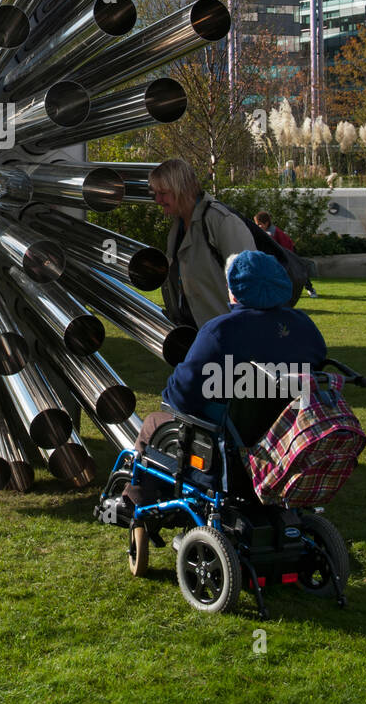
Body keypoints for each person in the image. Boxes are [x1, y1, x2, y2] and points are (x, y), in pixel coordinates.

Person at [99, 251, 328, 521]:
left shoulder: (221, 331)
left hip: (228, 444)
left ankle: (132, 499)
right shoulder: (304, 327)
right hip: (286, 439)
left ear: (234, 291)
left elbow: (182, 396)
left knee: (154, 423)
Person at [149, 158, 255, 328]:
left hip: (227, 337)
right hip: (198, 336)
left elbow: (250, 284)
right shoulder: (179, 226)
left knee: (229, 358)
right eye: (155, 193)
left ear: (182, 189)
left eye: (162, 193)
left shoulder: (221, 222)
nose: (157, 200)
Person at [254, 209, 318, 298]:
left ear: (267, 223)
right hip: (281, 254)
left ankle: (310, 289)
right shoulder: (266, 232)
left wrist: (287, 258)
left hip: (289, 252)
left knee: (298, 271)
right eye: (257, 224)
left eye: (260, 224)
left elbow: (285, 246)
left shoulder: (273, 232)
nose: (258, 226)